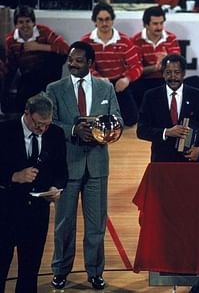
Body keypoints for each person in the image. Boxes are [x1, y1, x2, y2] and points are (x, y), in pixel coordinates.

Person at [46, 41, 123, 290]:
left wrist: (105, 132)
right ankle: (60, 270)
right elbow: (49, 122)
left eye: (79, 60)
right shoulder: (54, 88)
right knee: (64, 224)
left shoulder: (105, 87)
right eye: (71, 59)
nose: (73, 64)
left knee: (96, 225)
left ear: (90, 64)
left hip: (97, 166)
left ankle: (95, 272)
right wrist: (72, 129)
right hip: (67, 166)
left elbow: (118, 119)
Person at [0, 93, 68, 293]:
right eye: (38, 124)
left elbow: (62, 172)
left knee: (30, 272)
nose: (42, 129)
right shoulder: (4, 132)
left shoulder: (54, 134)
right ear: (27, 113)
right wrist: (14, 176)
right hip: (6, 212)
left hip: (37, 214)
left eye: (46, 124)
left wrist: (56, 188)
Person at [137, 54, 199, 162]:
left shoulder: (197, 96)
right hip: (161, 161)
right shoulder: (151, 96)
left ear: (183, 74)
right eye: (168, 72)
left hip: (190, 161)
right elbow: (141, 130)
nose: (173, 77)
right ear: (163, 74)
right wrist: (166, 132)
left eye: (177, 72)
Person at [81, 2, 142, 126]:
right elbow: (82, 66)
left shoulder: (124, 41)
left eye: (107, 19)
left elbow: (136, 66)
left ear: (112, 20)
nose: (104, 23)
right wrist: (97, 78)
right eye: (101, 20)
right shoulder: (86, 41)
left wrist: (127, 79)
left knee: (131, 119)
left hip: (119, 84)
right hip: (95, 83)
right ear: (95, 21)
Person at [3, 5, 69, 115]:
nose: (24, 26)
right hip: (29, 76)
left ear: (33, 22)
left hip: (47, 72)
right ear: (16, 24)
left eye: (28, 21)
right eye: (21, 22)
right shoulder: (10, 40)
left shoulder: (43, 31)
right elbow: (11, 65)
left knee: (58, 57)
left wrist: (38, 46)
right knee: (20, 107)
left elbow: (65, 48)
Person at [131, 6, 181, 109]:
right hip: (145, 81)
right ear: (146, 25)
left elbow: (178, 65)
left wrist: (168, 60)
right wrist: (155, 67)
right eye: (155, 24)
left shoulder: (171, 38)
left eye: (161, 23)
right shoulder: (136, 40)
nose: (159, 27)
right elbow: (135, 69)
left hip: (166, 80)